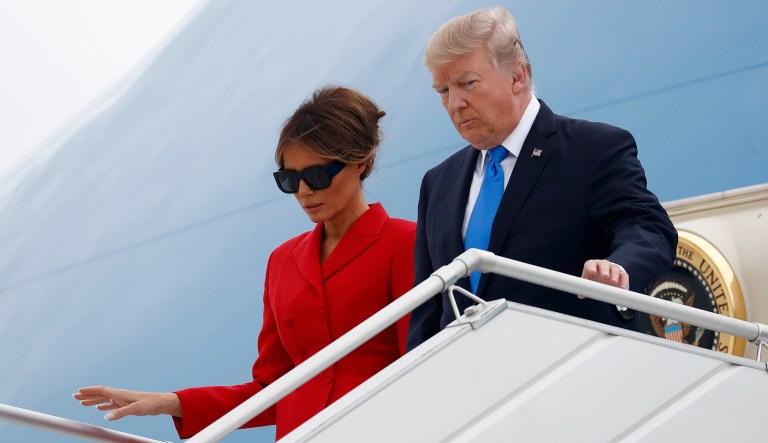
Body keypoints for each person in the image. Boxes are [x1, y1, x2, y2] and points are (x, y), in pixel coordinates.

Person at [75, 86, 416, 440]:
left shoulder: (405, 242)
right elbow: (271, 389)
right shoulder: (282, 261)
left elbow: (421, 361)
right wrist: (170, 402)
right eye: (289, 179)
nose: (303, 191)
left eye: (317, 175)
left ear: (360, 161)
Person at [406, 7, 677, 350]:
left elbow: (648, 229)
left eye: (467, 83)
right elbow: (428, 310)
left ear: (517, 76)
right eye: (442, 90)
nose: (455, 103)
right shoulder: (437, 182)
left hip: (569, 372)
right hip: (467, 385)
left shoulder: (593, 149)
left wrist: (619, 267)